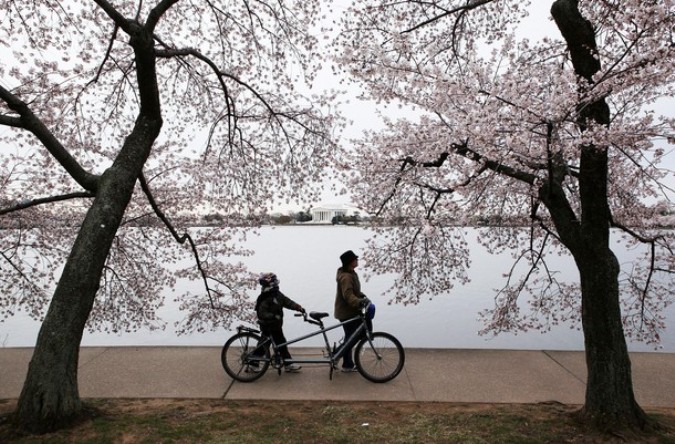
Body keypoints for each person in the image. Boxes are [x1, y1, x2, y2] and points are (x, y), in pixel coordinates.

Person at [253, 272, 304, 373]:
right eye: (274, 281)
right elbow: (261, 313)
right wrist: (273, 316)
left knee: (279, 344)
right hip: (268, 325)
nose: (276, 283)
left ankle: (287, 363)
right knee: (266, 345)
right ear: (270, 283)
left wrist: (298, 307)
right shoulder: (264, 297)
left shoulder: (276, 294)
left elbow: (286, 301)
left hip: (275, 325)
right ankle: (253, 363)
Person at [334, 250, 370, 372]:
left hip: (350, 311)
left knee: (350, 337)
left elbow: (355, 292)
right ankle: (337, 357)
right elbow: (348, 295)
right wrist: (359, 302)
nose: (357, 260)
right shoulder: (346, 277)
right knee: (352, 338)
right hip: (346, 313)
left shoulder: (351, 273)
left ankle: (346, 363)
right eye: (355, 259)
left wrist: (363, 297)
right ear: (350, 262)